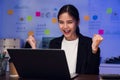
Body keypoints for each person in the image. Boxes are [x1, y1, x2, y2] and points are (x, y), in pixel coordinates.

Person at [25, 4, 103, 74]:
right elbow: (47, 71)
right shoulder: (54, 43)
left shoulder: (89, 43)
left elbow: (92, 74)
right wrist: (34, 49)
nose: (65, 26)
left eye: (69, 22)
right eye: (61, 22)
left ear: (78, 22)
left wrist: (94, 49)